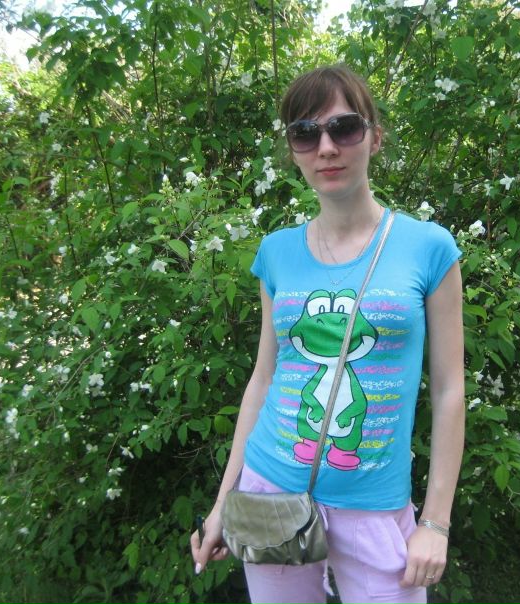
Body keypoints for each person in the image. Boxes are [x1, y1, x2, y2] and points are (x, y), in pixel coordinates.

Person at [190, 64, 465, 604]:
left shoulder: (429, 248)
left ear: (374, 137)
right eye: (305, 133)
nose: (326, 148)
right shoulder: (276, 253)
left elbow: (449, 389)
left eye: (344, 127)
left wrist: (435, 522)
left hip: (375, 507)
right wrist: (224, 503)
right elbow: (263, 379)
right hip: (270, 493)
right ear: (293, 150)